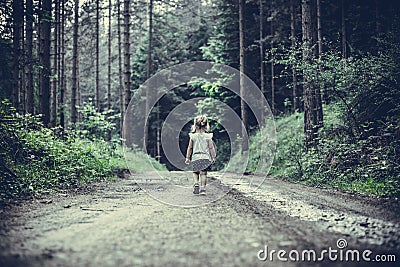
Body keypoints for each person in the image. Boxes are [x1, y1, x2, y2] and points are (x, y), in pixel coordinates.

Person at [185, 115, 216, 195]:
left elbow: (190, 148)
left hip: (195, 157)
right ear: (206, 125)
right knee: (203, 173)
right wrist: (213, 157)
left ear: (195, 125)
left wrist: (188, 158)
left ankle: (196, 183)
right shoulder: (208, 136)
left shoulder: (193, 136)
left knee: (195, 172)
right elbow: (211, 148)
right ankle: (203, 189)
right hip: (205, 158)